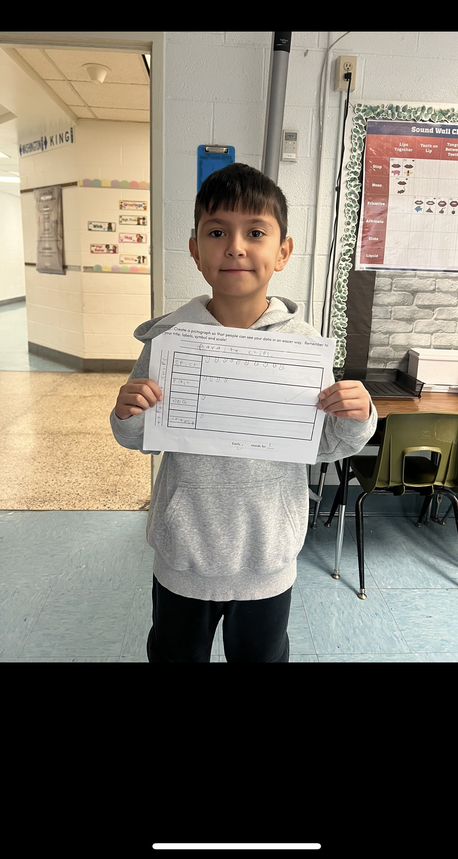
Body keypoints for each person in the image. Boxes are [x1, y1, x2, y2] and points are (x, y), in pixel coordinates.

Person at [110, 163, 377, 662]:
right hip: (184, 553)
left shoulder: (304, 347)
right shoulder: (169, 341)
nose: (235, 247)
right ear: (195, 250)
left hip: (267, 556)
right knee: (173, 654)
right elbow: (138, 436)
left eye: (255, 232)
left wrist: (358, 415)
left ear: (283, 252)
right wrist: (128, 414)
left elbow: (325, 445)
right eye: (217, 233)